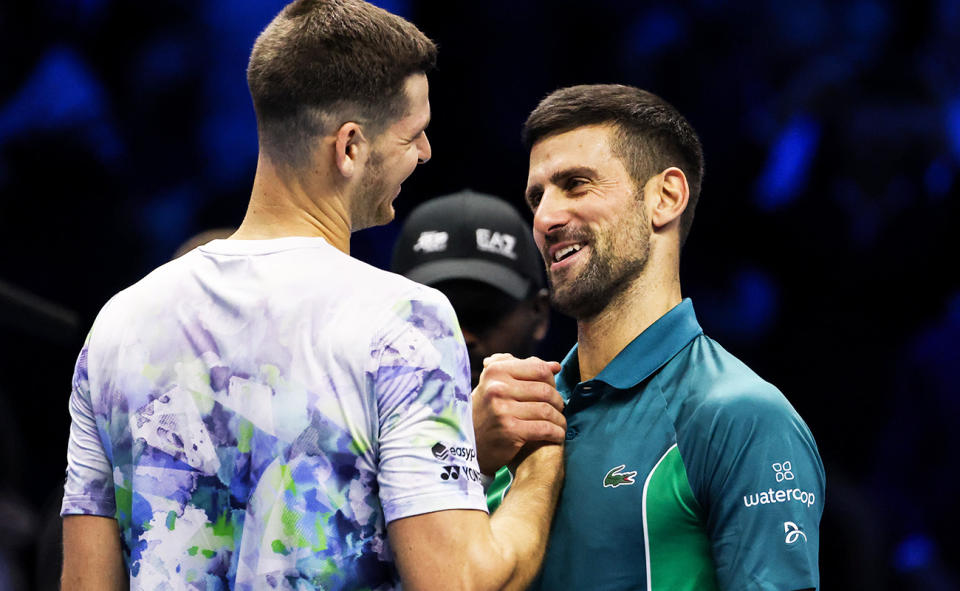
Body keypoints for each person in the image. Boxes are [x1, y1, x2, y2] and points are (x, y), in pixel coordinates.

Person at [58, 2, 565, 590]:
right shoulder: (404, 320)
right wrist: (540, 471)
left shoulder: (119, 324)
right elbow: (459, 584)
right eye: (414, 133)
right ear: (349, 147)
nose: (425, 153)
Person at [510, 84, 825, 590]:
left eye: (576, 184)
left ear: (666, 197)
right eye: (536, 197)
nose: (544, 218)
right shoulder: (521, 411)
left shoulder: (742, 415)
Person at [390, 190, 554, 509]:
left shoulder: (582, 435)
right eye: (435, 316)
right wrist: (467, 458)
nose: (462, 336)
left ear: (539, 313)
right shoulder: (348, 444)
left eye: (485, 313)